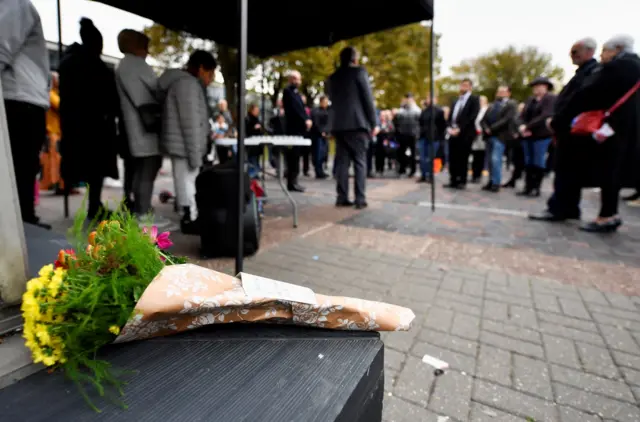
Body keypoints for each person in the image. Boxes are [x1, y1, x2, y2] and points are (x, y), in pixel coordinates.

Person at [549, 35, 640, 233]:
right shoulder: (635, 67)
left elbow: (587, 95)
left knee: (609, 173)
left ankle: (607, 216)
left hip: (608, 129)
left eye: (604, 52)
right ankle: (609, 214)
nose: (602, 56)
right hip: (628, 129)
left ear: (616, 50)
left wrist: (560, 118)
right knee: (613, 173)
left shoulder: (616, 68)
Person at [530, 38, 599, 222]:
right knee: (569, 171)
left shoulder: (591, 73)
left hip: (572, 130)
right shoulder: (585, 73)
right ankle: (569, 208)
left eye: (575, 52)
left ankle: (559, 208)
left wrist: (557, 121)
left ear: (589, 52)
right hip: (569, 129)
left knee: (565, 170)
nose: (572, 56)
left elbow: (576, 101)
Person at [59, 18, 120, 220]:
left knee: (84, 167)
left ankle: (93, 204)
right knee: (95, 170)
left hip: (75, 125)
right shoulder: (95, 66)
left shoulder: (68, 63)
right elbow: (109, 99)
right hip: (95, 127)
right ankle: (94, 205)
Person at [1, 0, 50, 228]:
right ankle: (23, 224)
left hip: (20, 98)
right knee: (21, 169)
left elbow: (2, 44)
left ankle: (24, 224)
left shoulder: (14, 4)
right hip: (21, 99)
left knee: (21, 169)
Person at [158, 50, 216, 234]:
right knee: (186, 183)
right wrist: (195, 155)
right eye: (210, 73)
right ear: (200, 69)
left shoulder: (186, 84)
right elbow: (190, 123)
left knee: (185, 182)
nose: (211, 78)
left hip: (183, 146)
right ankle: (189, 219)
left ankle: (189, 216)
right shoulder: (187, 85)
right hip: (185, 147)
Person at [115, 29, 168, 226]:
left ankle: (138, 210)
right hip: (146, 129)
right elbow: (158, 88)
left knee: (138, 171)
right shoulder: (136, 65)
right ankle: (143, 213)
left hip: (133, 128)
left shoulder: (122, 66)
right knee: (147, 170)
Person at [327, 46, 377, 209]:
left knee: (342, 162)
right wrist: (374, 122)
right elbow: (367, 98)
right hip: (357, 124)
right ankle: (360, 198)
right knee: (360, 161)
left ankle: (341, 197)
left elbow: (332, 99)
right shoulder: (359, 72)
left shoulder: (333, 77)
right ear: (354, 59)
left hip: (339, 125)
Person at [517, 77, 556, 197]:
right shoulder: (530, 100)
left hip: (541, 135)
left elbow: (545, 115)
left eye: (539, 86)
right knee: (528, 161)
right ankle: (528, 187)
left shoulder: (550, 99)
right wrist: (521, 126)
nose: (536, 89)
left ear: (546, 87)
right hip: (527, 135)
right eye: (534, 87)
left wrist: (528, 126)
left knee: (538, 161)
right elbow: (522, 115)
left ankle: (536, 187)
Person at [481, 86, 518, 192]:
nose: (500, 93)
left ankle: (496, 182)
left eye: (502, 91)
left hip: (500, 136)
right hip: (489, 136)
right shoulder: (492, 105)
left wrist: (492, 128)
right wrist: (486, 128)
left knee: (496, 159)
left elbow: (507, 119)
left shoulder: (511, 104)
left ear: (508, 93)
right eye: (499, 91)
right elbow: (483, 119)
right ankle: (491, 181)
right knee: (490, 161)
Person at [446, 79, 480, 189]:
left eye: (466, 85)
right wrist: (450, 128)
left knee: (463, 158)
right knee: (452, 157)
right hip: (452, 132)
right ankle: (453, 179)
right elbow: (451, 116)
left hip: (465, 134)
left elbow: (472, 117)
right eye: (462, 85)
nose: (463, 87)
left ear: (470, 87)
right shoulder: (455, 100)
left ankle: (462, 180)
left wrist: (460, 129)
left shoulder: (474, 99)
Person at [282, 70, 312, 192]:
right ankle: (291, 182)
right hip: (293, 128)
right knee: (293, 156)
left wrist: (307, 118)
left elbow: (302, 108)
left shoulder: (296, 93)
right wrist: (305, 119)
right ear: (293, 79)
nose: (299, 82)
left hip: (298, 129)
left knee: (296, 156)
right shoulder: (288, 92)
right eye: (298, 79)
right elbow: (296, 109)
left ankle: (294, 181)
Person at [40, 72, 64, 193]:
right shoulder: (51, 94)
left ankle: (61, 185)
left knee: (58, 160)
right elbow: (61, 105)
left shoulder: (55, 93)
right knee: (55, 160)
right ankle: (57, 185)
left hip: (58, 132)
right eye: (58, 79)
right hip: (53, 132)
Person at [417, 96, 446, 183]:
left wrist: (439, 137)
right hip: (423, 137)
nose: (429, 100)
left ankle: (430, 175)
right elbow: (420, 123)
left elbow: (442, 125)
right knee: (422, 157)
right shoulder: (424, 111)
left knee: (431, 157)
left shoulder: (439, 111)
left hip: (434, 138)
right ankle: (423, 175)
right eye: (428, 98)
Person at [393, 93, 421, 177]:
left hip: (413, 134)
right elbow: (397, 120)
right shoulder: (402, 109)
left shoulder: (416, 109)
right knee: (402, 152)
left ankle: (413, 170)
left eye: (409, 98)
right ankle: (402, 168)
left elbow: (419, 122)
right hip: (403, 134)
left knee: (413, 153)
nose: (408, 100)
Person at [311, 95, 331, 179]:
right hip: (318, 135)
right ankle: (318, 171)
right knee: (318, 154)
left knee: (324, 154)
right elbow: (316, 123)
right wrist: (321, 131)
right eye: (325, 101)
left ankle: (321, 170)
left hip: (325, 135)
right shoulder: (316, 111)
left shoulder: (327, 110)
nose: (326, 103)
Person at [471, 95, 489, 183]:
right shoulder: (476, 110)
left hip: (482, 135)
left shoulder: (486, 110)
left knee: (481, 155)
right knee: (475, 155)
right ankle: (475, 174)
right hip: (475, 135)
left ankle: (478, 174)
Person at [245, 103, 264, 179]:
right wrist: (254, 128)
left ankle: (254, 175)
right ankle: (251, 175)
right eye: (256, 110)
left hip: (257, 144)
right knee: (252, 161)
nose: (257, 112)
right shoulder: (248, 119)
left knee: (256, 160)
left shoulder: (257, 119)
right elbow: (247, 130)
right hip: (252, 145)